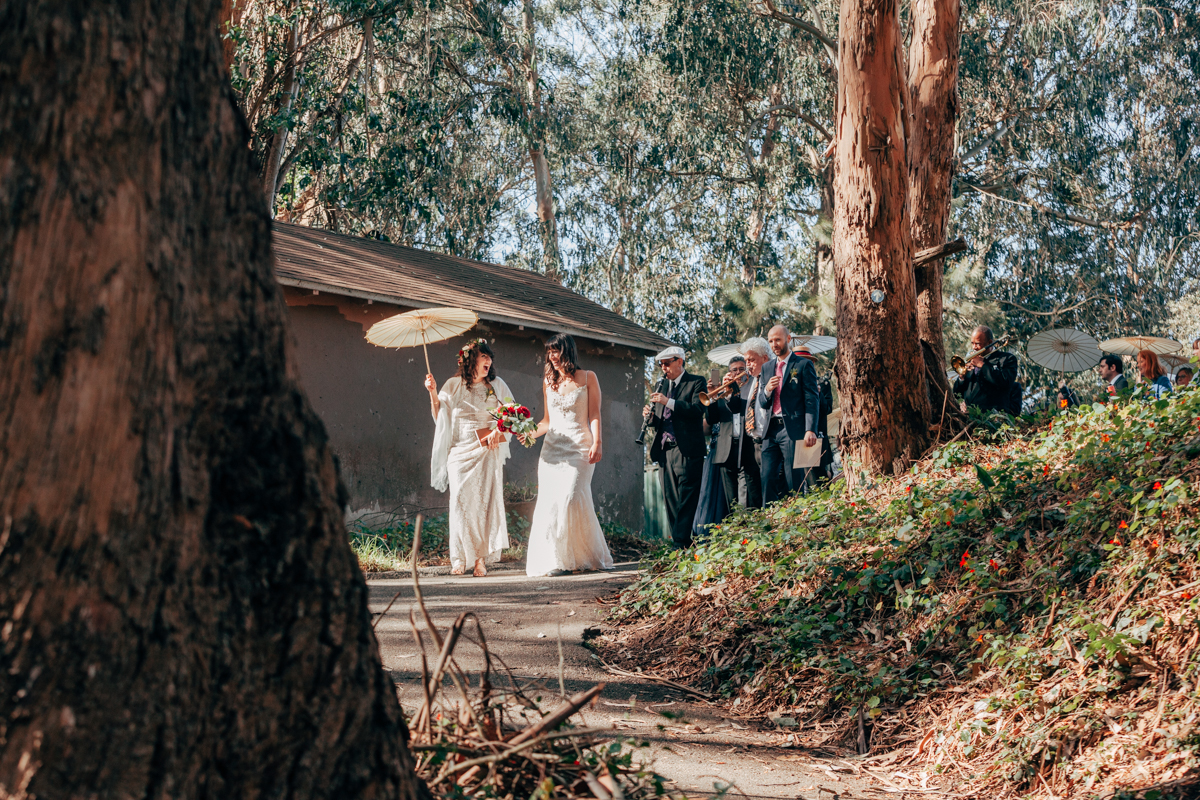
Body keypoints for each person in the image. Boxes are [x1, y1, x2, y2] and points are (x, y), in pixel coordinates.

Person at [522, 334, 614, 577]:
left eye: (556, 351)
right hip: (552, 451)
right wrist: (529, 433)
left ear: (568, 352)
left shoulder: (588, 377)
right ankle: (557, 560)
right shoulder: (548, 381)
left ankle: (578, 556)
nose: (552, 356)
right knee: (551, 504)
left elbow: (594, 414)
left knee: (571, 497)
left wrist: (598, 442)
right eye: (549, 352)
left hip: (579, 448)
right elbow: (547, 420)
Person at [426, 338, 511, 577]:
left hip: (486, 450)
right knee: (460, 504)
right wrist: (433, 393)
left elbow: (512, 413)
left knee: (482, 505)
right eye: (484, 356)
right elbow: (439, 417)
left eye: (489, 357)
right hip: (459, 453)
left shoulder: (497, 385)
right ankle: (459, 558)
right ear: (470, 359)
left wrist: (498, 429)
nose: (489, 361)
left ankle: (480, 560)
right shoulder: (452, 384)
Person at [642, 346, 707, 548]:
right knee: (670, 499)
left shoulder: (696, 382)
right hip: (664, 449)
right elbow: (660, 420)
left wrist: (668, 401)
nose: (664, 368)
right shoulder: (661, 386)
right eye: (661, 364)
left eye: (667, 363)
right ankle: (683, 543)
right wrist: (649, 417)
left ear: (679, 361)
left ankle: (678, 545)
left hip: (687, 449)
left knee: (687, 498)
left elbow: (697, 410)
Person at [757, 325, 819, 503]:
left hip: (792, 428)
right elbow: (762, 401)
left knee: (794, 477)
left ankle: (797, 515)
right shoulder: (767, 368)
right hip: (770, 430)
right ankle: (767, 518)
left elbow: (811, 399)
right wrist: (767, 390)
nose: (774, 344)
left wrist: (810, 429)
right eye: (770, 341)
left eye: (777, 339)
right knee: (767, 477)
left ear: (788, 339)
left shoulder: (803, 364)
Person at [691, 356, 752, 536]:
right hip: (725, 449)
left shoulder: (750, 388)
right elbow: (711, 419)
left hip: (745, 447)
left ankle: (745, 532)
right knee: (729, 499)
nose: (737, 372)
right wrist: (714, 395)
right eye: (733, 370)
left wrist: (735, 391)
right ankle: (731, 535)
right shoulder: (722, 393)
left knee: (744, 497)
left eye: (741, 369)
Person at [952, 326, 1019, 414]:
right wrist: (962, 376)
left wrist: (982, 365)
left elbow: (1006, 382)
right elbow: (957, 393)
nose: (974, 347)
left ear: (989, 342)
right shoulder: (970, 361)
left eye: (978, 343)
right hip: (969, 416)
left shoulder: (1007, 359)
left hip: (993, 416)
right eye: (972, 343)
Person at [739, 338, 771, 507]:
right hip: (751, 444)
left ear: (765, 358)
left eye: (751, 360)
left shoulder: (772, 377)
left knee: (770, 491)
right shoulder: (749, 382)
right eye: (746, 361)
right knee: (755, 495)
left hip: (768, 441)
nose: (747, 365)